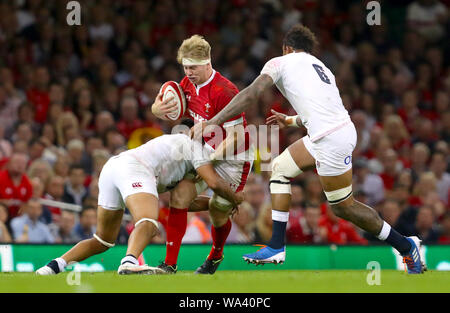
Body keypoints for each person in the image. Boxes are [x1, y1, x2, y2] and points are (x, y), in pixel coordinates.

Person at [192, 24, 424, 274]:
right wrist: (290, 121)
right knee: (279, 168)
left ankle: (405, 245)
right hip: (332, 132)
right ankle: (276, 246)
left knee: (342, 206)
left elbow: (252, 94)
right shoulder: (322, 68)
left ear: (286, 48)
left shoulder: (280, 62)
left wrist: (213, 121)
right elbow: (323, 111)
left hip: (329, 138)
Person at [36, 127, 243, 275]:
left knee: (103, 240)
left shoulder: (177, 156)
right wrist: (234, 199)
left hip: (113, 168)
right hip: (134, 169)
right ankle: (129, 262)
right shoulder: (193, 145)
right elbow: (215, 182)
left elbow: (183, 203)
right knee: (149, 224)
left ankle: (53, 266)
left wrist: (212, 204)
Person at [150, 35, 253, 274]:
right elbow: (164, 105)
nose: (189, 72)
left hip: (233, 157)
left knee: (218, 212)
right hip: (206, 149)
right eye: (185, 67)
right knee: (179, 196)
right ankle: (169, 265)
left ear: (207, 63)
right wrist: (157, 109)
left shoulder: (225, 91)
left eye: (193, 67)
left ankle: (216, 255)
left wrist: (206, 164)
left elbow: (236, 136)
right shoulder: (186, 83)